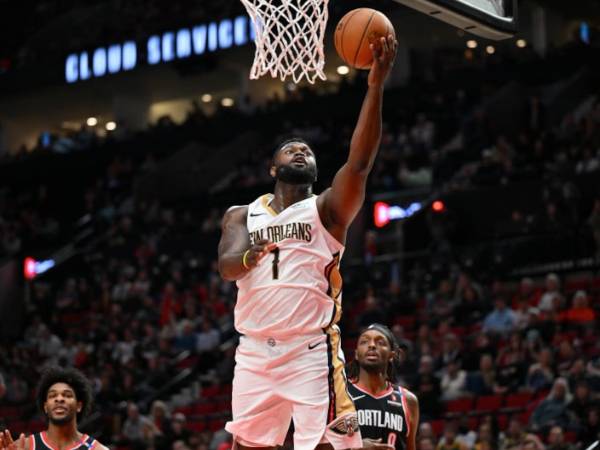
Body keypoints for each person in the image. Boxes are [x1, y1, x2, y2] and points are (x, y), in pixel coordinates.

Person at [218, 34, 398, 450]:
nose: (300, 152)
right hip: (254, 351)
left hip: (309, 350)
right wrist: (251, 254)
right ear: (272, 167)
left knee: (326, 446)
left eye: (307, 151)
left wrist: (375, 86)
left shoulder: (327, 210)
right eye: (290, 150)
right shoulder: (242, 214)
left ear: (316, 170)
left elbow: (360, 162)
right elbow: (227, 266)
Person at [346, 324, 419, 450]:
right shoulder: (341, 394)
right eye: (364, 342)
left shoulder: (408, 400)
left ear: (392, 355)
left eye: (380, 342)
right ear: (357, 354)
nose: (372, 345)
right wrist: (354, 447)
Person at [0, 367, 108, 450]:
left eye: (67, 395)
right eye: (52, 395)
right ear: (45, 407)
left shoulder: (96, 448)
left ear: (79, 406)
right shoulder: (25, 446)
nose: (59, 399)